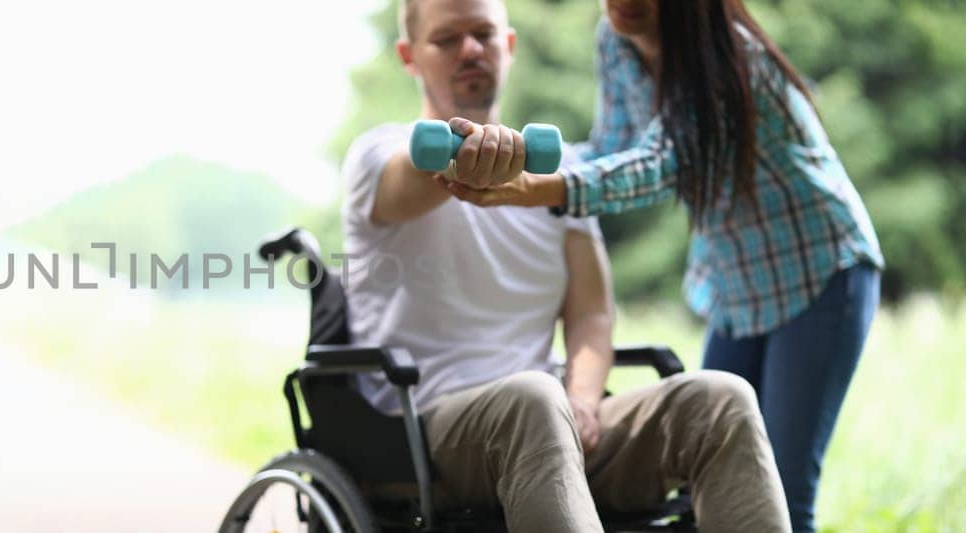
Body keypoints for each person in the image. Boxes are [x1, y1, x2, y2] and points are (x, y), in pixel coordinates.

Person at [339, 0, 791, 530]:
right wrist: (465, 156)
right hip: (427, 431)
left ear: (507, 47)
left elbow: (592, 315)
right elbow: (408, 180)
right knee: (533, 397)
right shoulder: (377, 155)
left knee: (720, 398)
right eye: (446, 39)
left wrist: (582, 398)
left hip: (556, 418)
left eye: (483, 34)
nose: (469, 50)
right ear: (409, 56)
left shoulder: (560, 175)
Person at [436, 1, 884, 530]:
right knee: (711, 479)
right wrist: (507, 154)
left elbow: (658, 165)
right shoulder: (617, 40)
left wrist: (535, 190)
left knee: (783, 484)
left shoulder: (737, 62)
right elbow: (614, 148)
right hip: (738, 283)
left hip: (822, 269)